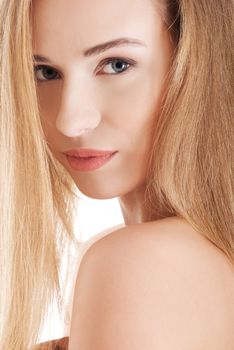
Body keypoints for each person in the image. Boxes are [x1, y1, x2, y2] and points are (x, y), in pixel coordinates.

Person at [0, 0, 233, 349]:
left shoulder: (141, 265)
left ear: (199, 63)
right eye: (45, 72)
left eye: (116, 64)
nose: (71, 120)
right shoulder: (196, 260)